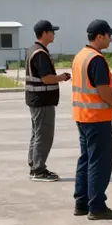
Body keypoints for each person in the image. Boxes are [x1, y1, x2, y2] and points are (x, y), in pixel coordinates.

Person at [72, 19, 112, 220]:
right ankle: (96, 206)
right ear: (99, 36)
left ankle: (81, 203)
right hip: (96, 118)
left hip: (82, 116)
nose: (111, 39)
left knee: (86, 159)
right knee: (99, 162)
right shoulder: (97, 59)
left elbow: (94, 88)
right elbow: (102, 91)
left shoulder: (80, 56)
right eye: (109, 35)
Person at [25, 19, 71, 181]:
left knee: (37, 134)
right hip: (42, 100)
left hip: (36, 100)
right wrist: (62, 77)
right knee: (43, 135)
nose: (54, 34)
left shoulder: (33, 50)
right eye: (52, 32)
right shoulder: (40, 53)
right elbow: (46, 78)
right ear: (44, 33)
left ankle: (34, 166)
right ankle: (39, 170)